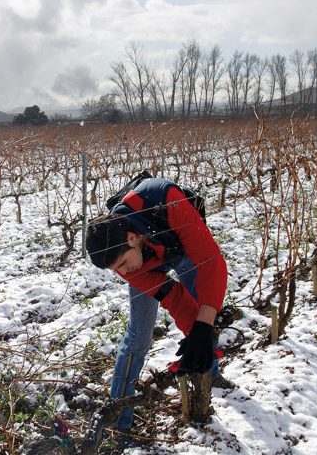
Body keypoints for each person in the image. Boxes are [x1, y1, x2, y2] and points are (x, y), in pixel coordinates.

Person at [85, 176, 228, 431]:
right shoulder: (127, 264)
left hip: (181, 245)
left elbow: (210, 261)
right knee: (139, 335)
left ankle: (210, 371)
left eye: (121, 264)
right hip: (147, 260)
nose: (122, 272)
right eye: (116, 269)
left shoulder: (163, 200)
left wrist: (200, 331)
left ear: (131, 238)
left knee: (205, 312)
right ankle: (119, 419)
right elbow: (172, 296)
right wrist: (195, 330)